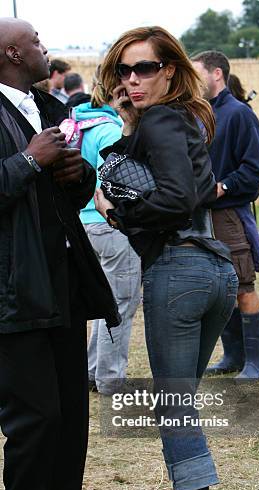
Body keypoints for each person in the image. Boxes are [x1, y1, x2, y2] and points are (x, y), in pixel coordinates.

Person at [95, 25, 238, 490]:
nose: (133, 80)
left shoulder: (159, 120)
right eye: (126, 71)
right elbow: (195, 193)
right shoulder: (184, 121)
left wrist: (117, 211)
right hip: (217, 271)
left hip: (178, 272)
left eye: (146, 68)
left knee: (175, 408)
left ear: (171, 71)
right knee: (182, 406)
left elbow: (176, 198)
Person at [0, 18, 120, 490]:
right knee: (35, 419)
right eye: (37, 43)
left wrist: (75, 171)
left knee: (72, 415)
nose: (46, 50)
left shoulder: (50, 108)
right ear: (12, 51)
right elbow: (19, 176)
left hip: (64, 282)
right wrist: (29, 161)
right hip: (15, 291)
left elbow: (71, 188)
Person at [191, 51, 259, 379]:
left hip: (228, 214)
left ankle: (254, 363)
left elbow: (255, 167)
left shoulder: (239, 114)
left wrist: (224, 186)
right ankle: (233, 356)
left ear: (217, 74)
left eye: (197, 74)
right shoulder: (199, 114)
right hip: (199, 215)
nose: (192, 82)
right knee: (218, 289)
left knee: (242, 286)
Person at [74, 66, 141, 394]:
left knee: (107, 302)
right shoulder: (111, 129)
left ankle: (92, 370)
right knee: (122, 304)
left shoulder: (82, 121)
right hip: (109, 225)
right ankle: (111, 379)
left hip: (85, 225)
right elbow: (121, 182)